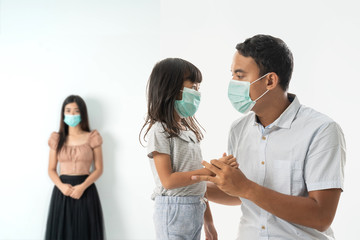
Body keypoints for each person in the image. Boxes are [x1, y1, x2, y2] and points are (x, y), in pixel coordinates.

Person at [192, 34, 346, 239]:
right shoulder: (238, 129)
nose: (233, 83)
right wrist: (195, 184)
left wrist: (246, 187)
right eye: (232, 75)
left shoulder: (322, 130)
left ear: (270, 80)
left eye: (240, 76)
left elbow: (321, 216)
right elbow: (241, 195)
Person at [140, 58, 237, 240]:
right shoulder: (159, 131)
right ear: (172, 88)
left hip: (195, 208)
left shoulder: (189, 132)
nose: (197, 94)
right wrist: (212, 169)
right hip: (173, 211)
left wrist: (209, 224)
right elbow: (168, 181)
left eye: (198, 89)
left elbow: (198, 185)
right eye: (193, 87)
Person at [45, 95, 105, 240]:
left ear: (82, 113)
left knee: (85, 233)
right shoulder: (57, 138)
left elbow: (99, 169)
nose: (72, 114)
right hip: (62, 192)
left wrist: (82, 187)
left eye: (76, 111)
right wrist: (62, 186)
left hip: (86, 190)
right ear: (63, 113)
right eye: (68, 110)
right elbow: (51, 169)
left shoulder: (92, 137)